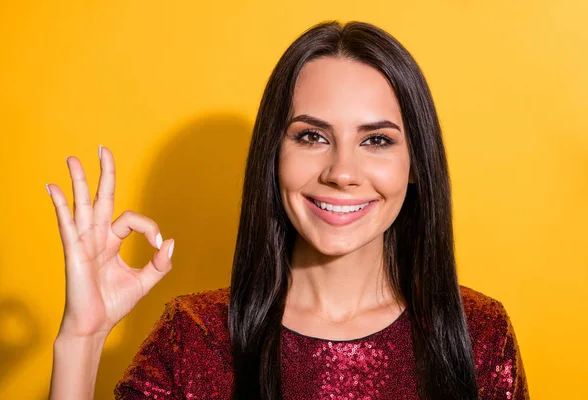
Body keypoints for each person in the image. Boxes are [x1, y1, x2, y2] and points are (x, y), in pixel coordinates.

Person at [47, 20, 529, 399]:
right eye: (312, 136)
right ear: (273, 155)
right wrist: (82, 340)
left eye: (376, 140)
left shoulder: (477, 334)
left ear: (416, 165)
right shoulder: (195, 338)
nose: (342, 172)